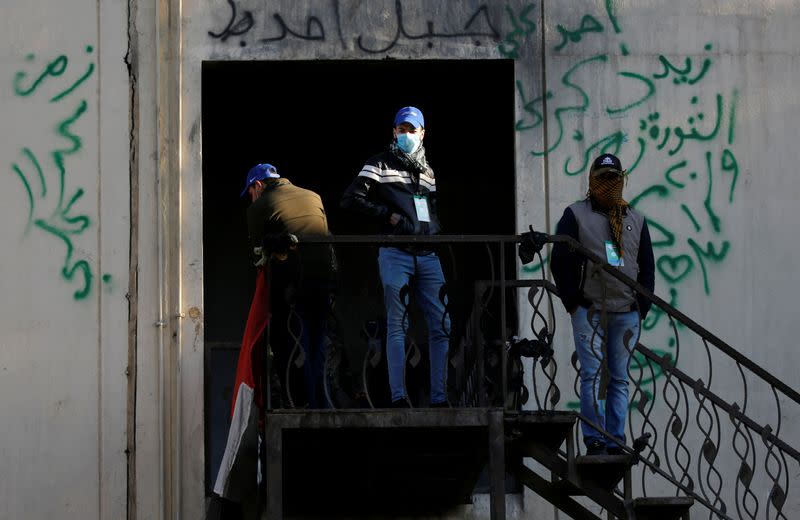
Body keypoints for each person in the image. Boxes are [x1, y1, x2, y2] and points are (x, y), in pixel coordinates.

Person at [340, 106, 450, 408]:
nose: (406, 135)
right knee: (397, 324)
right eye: (401, 129)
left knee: (442, 325)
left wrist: (433, 229)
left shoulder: (428, 172)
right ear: (393, 132)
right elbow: (351, 199)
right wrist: (388, 216)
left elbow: (431, 208)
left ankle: (440, 399)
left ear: (423, 133)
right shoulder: (378, 164)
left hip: (427, 254)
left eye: (411, 130)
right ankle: (399, 397)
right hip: (395, 252)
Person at [550, 153, 655, 455]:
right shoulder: (576, 214)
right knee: (593, 375)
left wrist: (642, 307)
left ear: (621, 179)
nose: (609, 184)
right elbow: (560, 258)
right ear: (592, 181)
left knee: (619, 379)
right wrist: (573, 302)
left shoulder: (635, 218)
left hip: (626, 313)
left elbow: (647, 266)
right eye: (603, 178)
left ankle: (615, 439)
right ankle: (594, 438)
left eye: (614, 177)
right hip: (590, 310)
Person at [242, 163, 335, 408]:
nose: (251, 198)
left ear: (258, 185)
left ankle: (298, 401)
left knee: (292, 342)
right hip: (324, 277)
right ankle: (322, 400)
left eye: (250, 192)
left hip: (293, 282)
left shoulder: (259, 205)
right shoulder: (313, 195)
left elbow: (256, 255)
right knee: (318, 340)